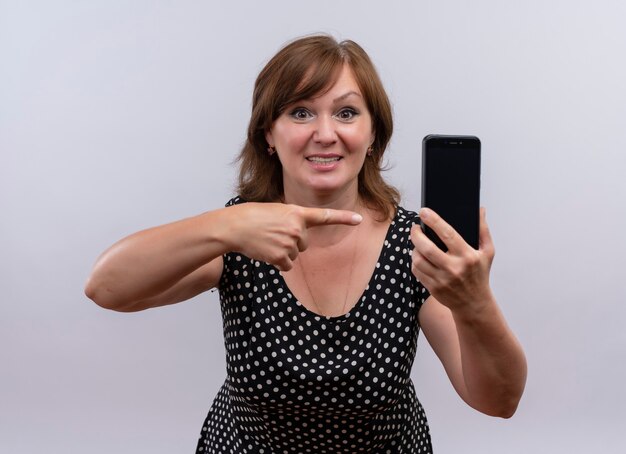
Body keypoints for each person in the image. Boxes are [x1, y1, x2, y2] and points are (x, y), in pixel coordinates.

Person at [85, 34, 527, 453]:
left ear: (374, 136)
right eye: (300, 112)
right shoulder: (239, 234)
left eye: (347, 113)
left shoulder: (415, 246)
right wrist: (228, 225)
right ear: (268, 135)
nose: (325, 133)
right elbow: (106, 287)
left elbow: (497, 401)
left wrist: (475, 301)